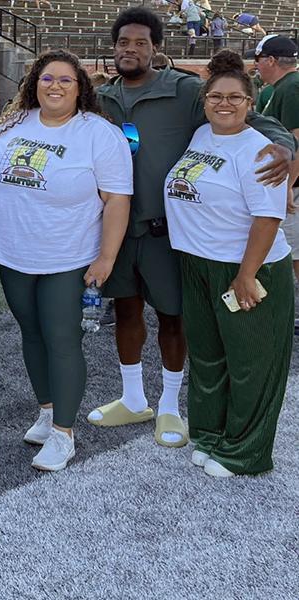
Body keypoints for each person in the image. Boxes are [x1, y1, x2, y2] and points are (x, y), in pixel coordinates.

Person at [89, 7, 294, 450]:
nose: (131, 49)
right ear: (114, 47)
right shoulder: (101, 96)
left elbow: (247, 118)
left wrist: (283, 147)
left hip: (167, 231)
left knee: (173, 317)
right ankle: (132, 397)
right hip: (117, 227)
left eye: (141, 42)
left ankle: (168, 406)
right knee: (125, 311)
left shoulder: (184, 89)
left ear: (156, 47)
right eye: (124, 42)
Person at [0, 49, 132, 471]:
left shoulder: (98, 134)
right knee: (31, 334)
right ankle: (47, 412)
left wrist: (107, 258)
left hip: (68, 257)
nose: (55, 86)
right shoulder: (14, 124)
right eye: (47, 78)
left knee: (62, 339)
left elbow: (118, 200)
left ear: (80, 88)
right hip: (13, 254)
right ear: (34, 83)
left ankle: (64, 434)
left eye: (65, 80)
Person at [165, 50, 292, 477]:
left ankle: (245, 452)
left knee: (251, 364)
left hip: (246, 268)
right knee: (207, 356)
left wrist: (247, 274)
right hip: (198, 262)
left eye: (236, 98)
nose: (225, 103)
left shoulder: (261, 151)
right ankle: (209, 434)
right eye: (217, 96)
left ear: (251, 104)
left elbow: (269, 217)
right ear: (204, 100)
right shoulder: (201, 136)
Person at [251, 35, 299, 282]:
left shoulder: (291, 87)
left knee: (294, 254)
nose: (256, 65)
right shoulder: (283, 87)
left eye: (258, 59)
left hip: (292, 186)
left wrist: (288, 185)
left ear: (270, 60)